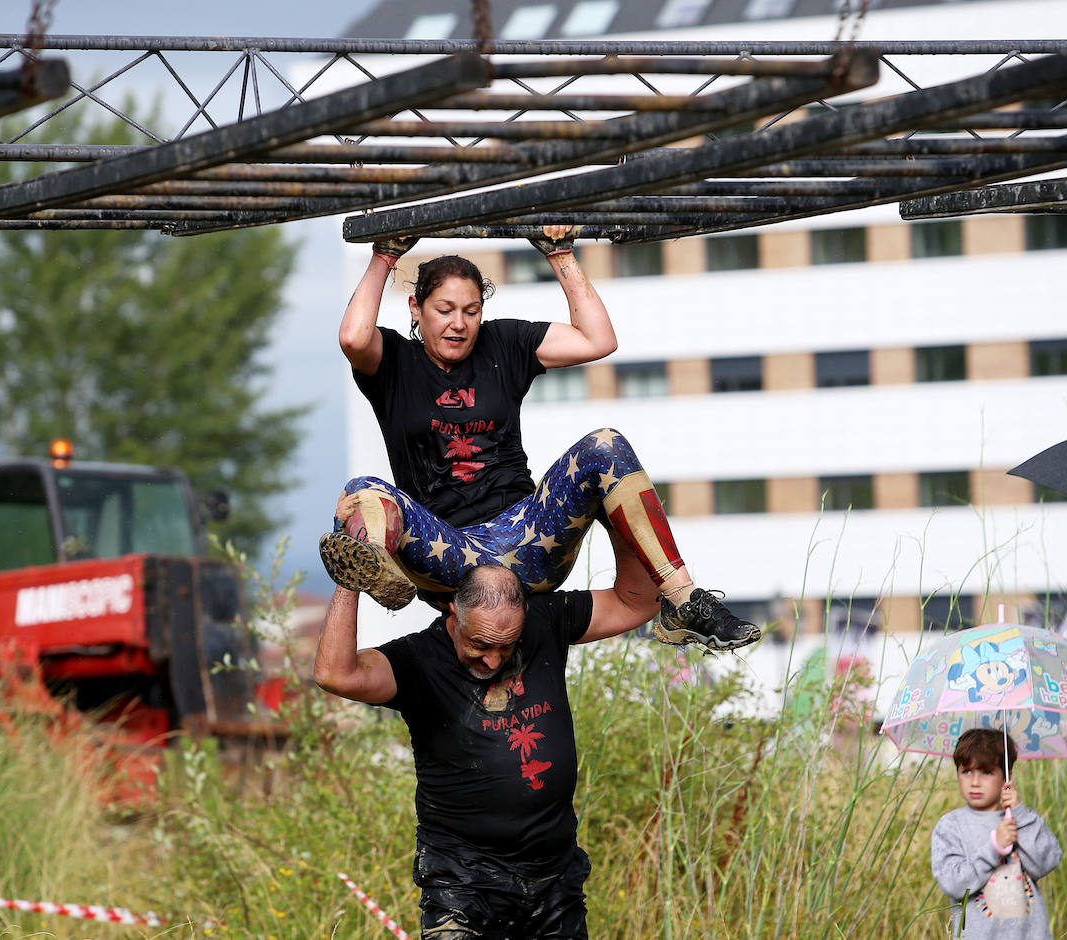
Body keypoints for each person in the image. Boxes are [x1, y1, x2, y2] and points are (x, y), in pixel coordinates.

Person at [321, 224, 760, 651]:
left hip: (529, 541)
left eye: (471, 311)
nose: (459, 324)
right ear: (416, 308)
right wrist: (385, 255)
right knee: (363, 492)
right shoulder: (394, 361)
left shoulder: (504, 343)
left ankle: (684, 601)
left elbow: (597, 340)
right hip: (451, 559)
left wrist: (560, 254)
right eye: (445, 310)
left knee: (605, 445)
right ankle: (380, 568)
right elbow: (353, 336)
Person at [312, 562, 657, 939]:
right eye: (480, 644)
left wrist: (616, 513)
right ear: (454, 613)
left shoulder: (545, 621)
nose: (493, 661)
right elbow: (335, 674)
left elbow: (637, 604)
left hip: (554, 879)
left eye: (506, 646)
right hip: (462, 884)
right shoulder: (419, 661)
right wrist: (350, 574)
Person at [931, 729, 1062, 939]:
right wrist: (995, 848)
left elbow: (1048, 861)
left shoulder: (1021, 819)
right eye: (966, 771)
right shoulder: (951, 826)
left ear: (1007, 776)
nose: (975, 782)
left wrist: (1020, 815)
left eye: (986, 772)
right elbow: (953, 883)